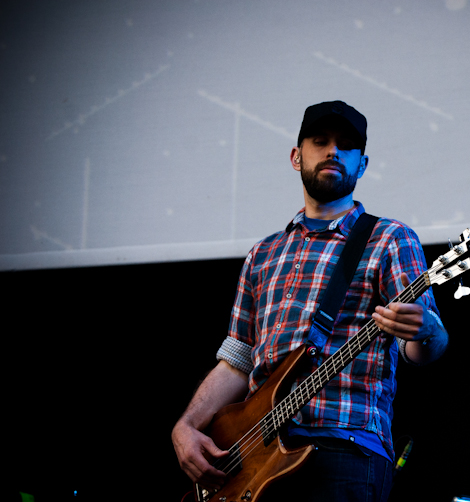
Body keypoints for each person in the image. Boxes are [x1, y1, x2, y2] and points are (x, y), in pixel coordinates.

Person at [171, 100, 449, 502]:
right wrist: (186, 426)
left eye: (346, 145)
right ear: (296, 157)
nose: (333, 151)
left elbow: (423, 347)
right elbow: (237, 360)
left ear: (362, 165)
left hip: (345, 448)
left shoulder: (389, 238)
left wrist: (426, 329)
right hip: (255, 460)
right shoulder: (262, 254)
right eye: (320, 141)